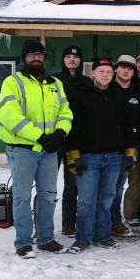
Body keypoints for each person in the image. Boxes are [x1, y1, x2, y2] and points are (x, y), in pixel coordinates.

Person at [0, 40, 73, 258]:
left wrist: (60, 133)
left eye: (40, 54)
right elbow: (10, 116)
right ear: (24, 58)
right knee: (22, 196)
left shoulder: (54, 84)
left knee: (48, 195)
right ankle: (22, 242)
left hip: (49, 150)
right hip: (23, 149)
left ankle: (46, 238)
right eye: (32, 54)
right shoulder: (13, 82)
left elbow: (66, 112)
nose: (36, 58)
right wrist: (39, 136)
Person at [65, 57, 136, 254]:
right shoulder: (81, 95)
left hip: (114, 157)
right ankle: (82, 239)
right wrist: (73, 155)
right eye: (101, 71)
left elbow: (128, 127)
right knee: (86, 200)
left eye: (108, 71)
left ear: (113, 74)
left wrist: (130, 152)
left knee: (106, 199)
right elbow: (73, 127)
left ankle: (102, 236)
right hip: (89, 157)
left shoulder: (118, 96)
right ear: (93, 73)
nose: (105, 75)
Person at [52, 45, 89, 237]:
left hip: (76, 143)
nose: (72, 60)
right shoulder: (53, 81)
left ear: (81, 61)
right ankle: (41, 225)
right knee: (47, 186)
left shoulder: (86, 83)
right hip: (55, 140)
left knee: (72, 184)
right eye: (68, 56)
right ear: (63, 60)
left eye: (75, 57)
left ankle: (68, 222)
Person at [110, 54, 140, 237]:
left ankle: (115, 222)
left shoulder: (137, 93)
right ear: (116, 69)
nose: (126, 70)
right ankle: (103, 221)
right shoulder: (107, 89)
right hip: (108, 147)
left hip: (129, 147)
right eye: (123, 67)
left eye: (130, 68)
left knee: (119, 186)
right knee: (106, 188)